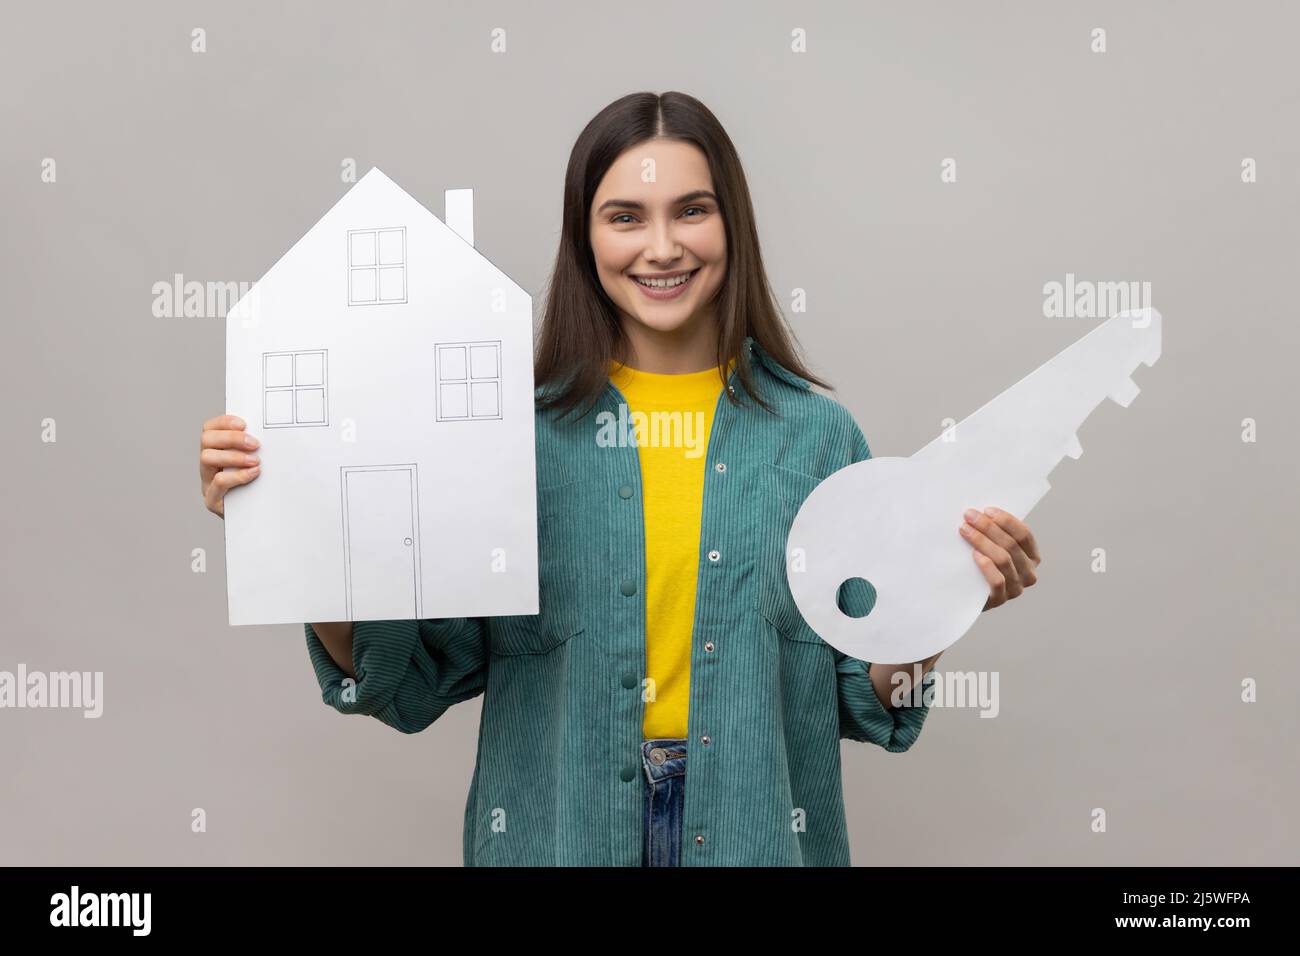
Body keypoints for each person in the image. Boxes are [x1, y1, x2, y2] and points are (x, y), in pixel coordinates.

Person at [199, 91, 1042, 866]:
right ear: (585, 236)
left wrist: (942, 602)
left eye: (693, 211)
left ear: (731, 226)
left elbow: (866, 699)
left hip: (756, 835)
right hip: (557, 835)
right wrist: (288, 525)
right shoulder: (509, 438)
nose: (663, 246)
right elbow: (405, 682)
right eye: (625, 216)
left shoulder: (819, 441)